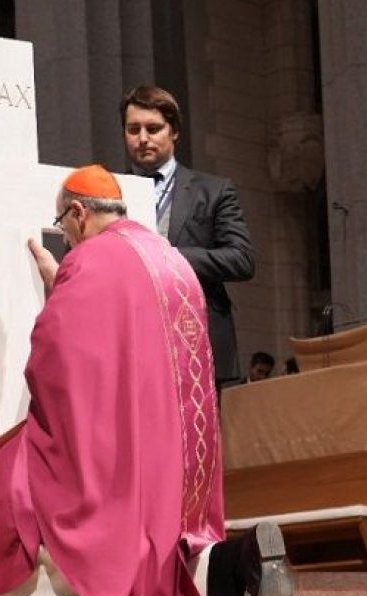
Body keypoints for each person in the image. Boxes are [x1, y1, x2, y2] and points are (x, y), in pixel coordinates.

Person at [0, 165, 293, 596]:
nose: (65, 237)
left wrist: (59, 289)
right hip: (172, 455)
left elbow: (53, 365)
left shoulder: (88, 258)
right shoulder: (169, 257)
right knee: (170, 539)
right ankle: (236, 560)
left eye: (62, 224)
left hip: (108, 452)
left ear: (79, 212)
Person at [120, 85, 255, 391]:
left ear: (175, 131)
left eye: (153, 129)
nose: (143, 138)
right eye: (133, 129)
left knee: (200, 438)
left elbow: (242, 259)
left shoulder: (213, 190)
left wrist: (173, 256)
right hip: (131, 340)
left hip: (196, 338)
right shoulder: (110, 192)